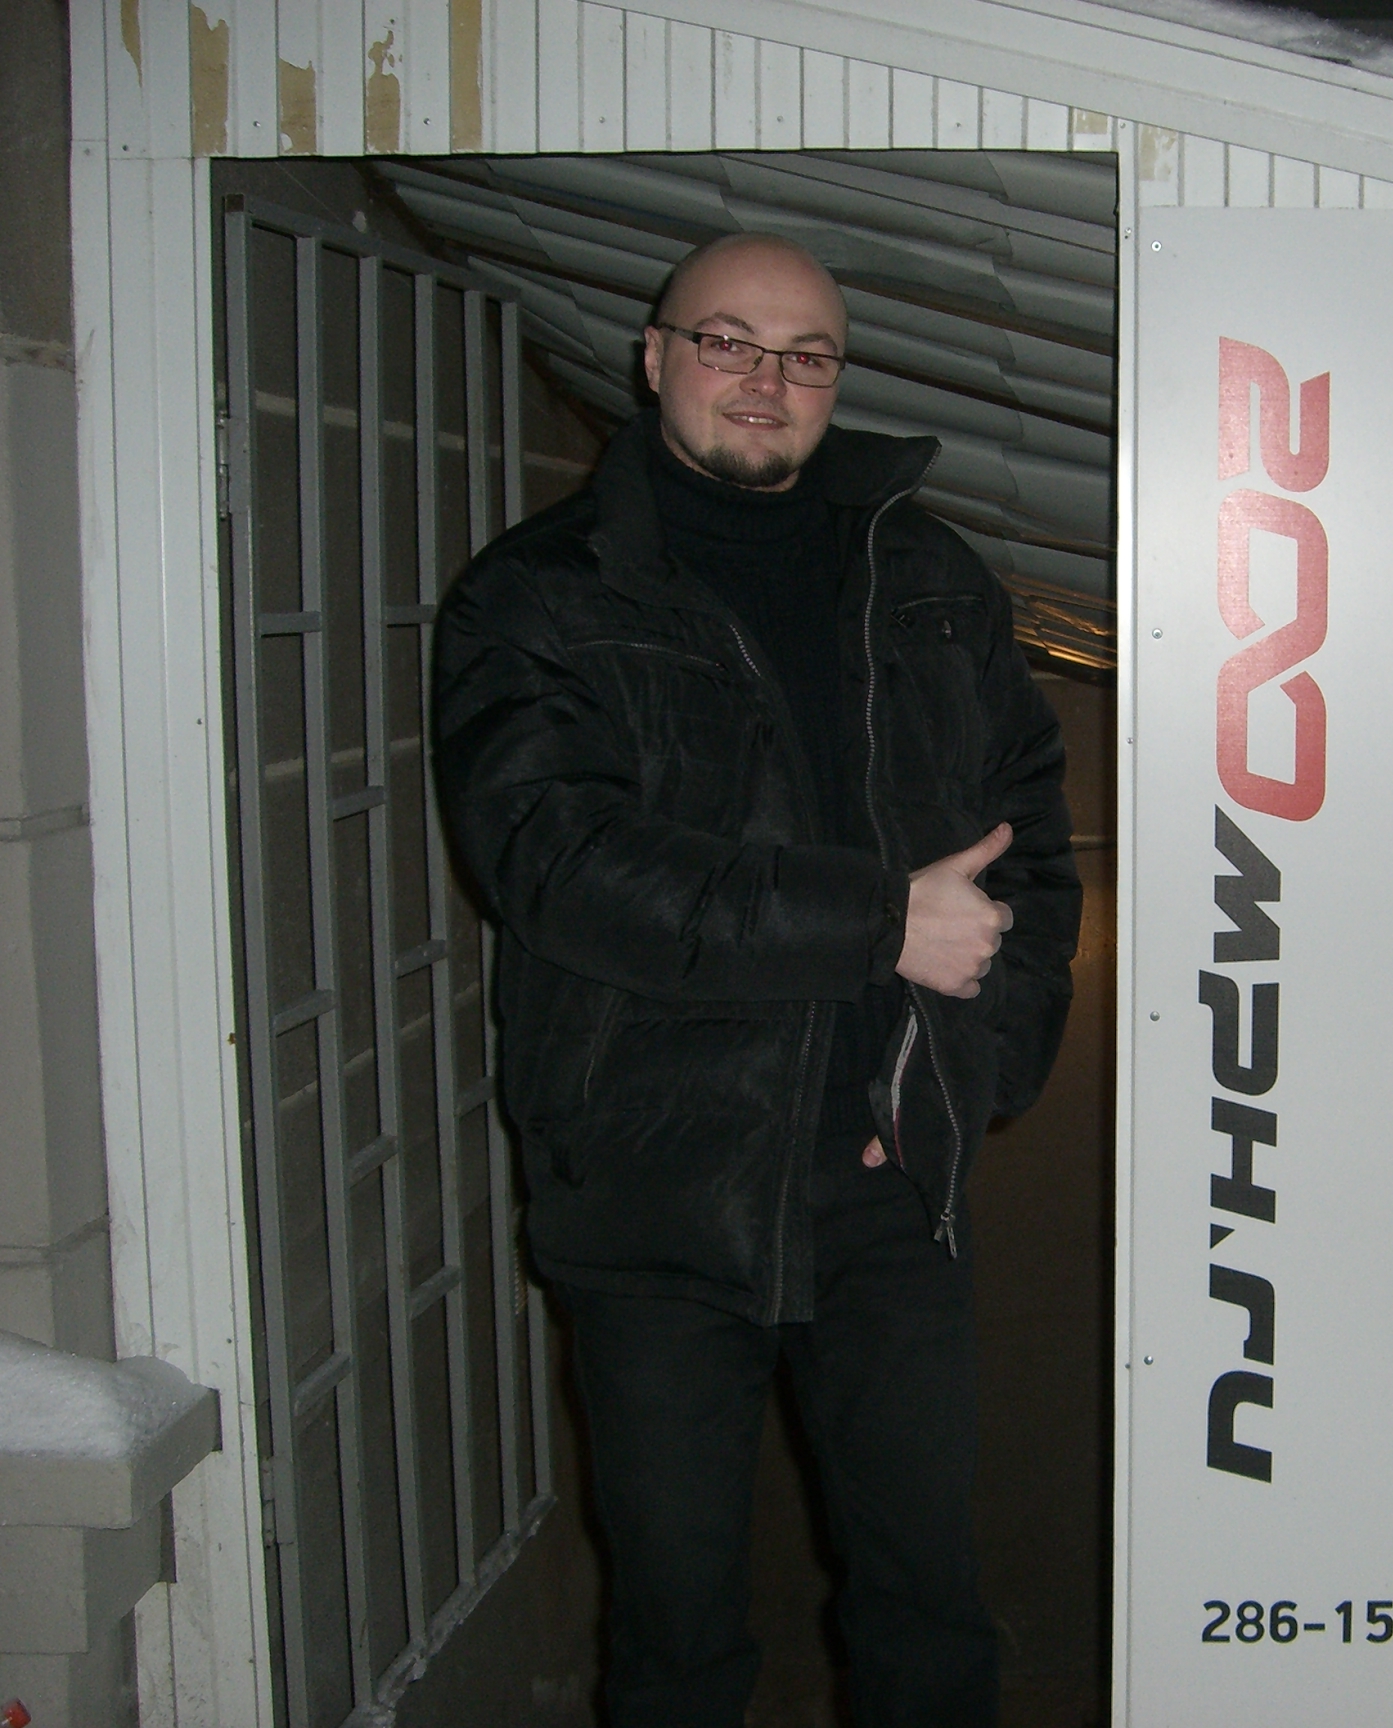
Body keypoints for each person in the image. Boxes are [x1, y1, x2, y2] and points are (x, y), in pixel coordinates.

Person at [432, 231, 1080, 1727]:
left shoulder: (927, 578)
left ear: (837, 380)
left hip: (889, 1188)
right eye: (726, 340)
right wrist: (876, 922)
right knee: (677, 1637)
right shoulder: (540, 595)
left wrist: (975, 1069)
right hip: (658, 1191)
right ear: (654, 356)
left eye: (805, 355)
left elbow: (1032, 841)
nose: (765, 380)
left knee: (929, 1613)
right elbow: (559, 862)